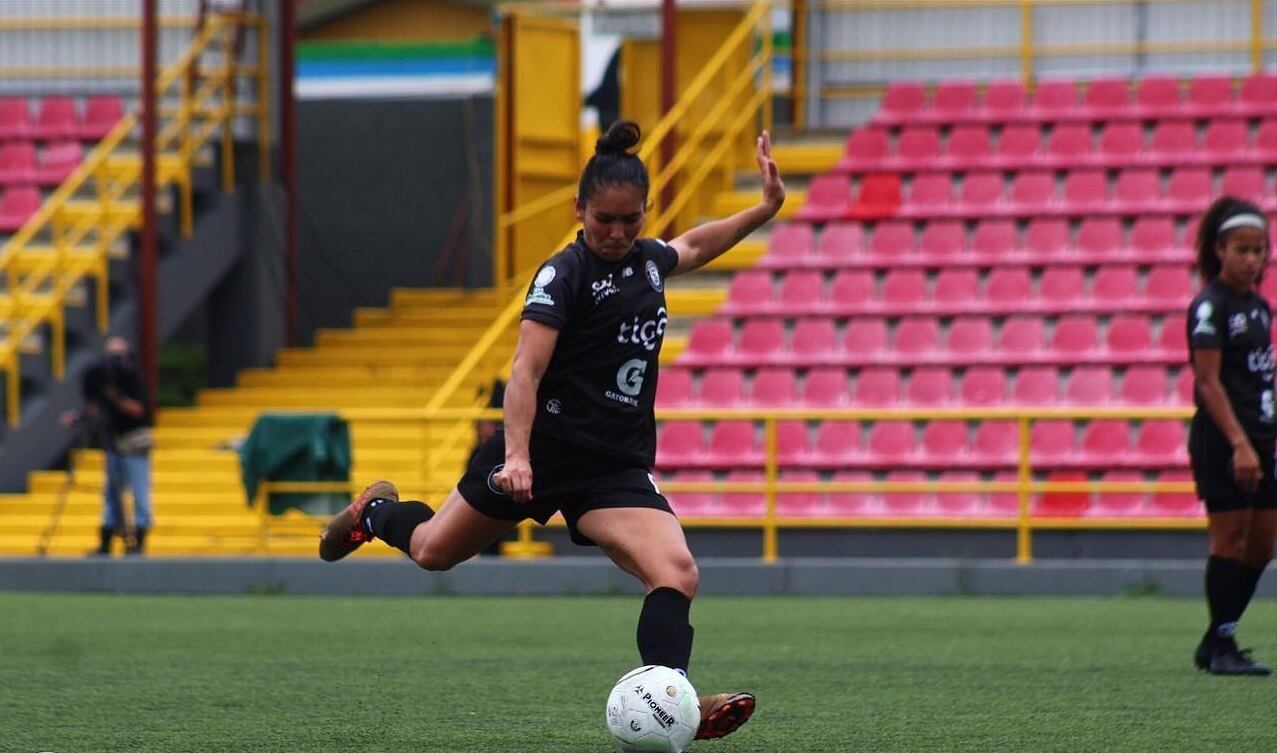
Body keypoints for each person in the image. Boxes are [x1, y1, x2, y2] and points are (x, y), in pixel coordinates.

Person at [320, 120, 785, 739]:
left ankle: (674, 705)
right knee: (434, 551)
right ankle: (374, 514)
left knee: (677, 572)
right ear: (579, 210)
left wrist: (765, 207)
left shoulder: (648, 263)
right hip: (542, 452)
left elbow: (696, 247)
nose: (618, 234)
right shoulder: (562, 276)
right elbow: (524, 373)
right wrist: (516, 457)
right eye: (604, 221)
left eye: (631, 220)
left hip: (612, 466)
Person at [1187, 196, 1274, 676]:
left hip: (1260, 439)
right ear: (1219, 249)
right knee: (1231, 540)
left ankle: (1216, 640)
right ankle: (1222, 646)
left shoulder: (1259, 307)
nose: (1252, 260)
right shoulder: (1209, 306)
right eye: (1242, 249)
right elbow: (1208, 381)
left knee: (1262, 545)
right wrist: (1240, 442)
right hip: (1224, 440)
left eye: (1259, 250)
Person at [63, 337, 154, 556]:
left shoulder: (135, 379)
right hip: (112, 442)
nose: (114, 362)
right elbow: (94, 406)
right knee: (111, 494)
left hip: (134, 443)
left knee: (140, 494)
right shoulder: (102, 380)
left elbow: (139, 410)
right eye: (111, 356)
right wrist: (80, 415)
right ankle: (105, 543)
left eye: (119, 356)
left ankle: (138, 544)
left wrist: (117, 397)